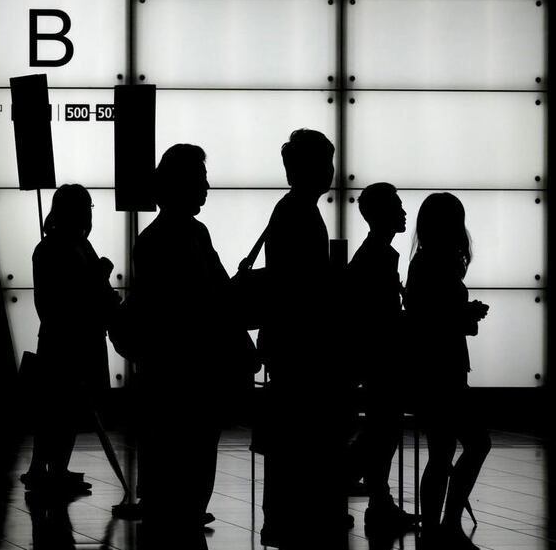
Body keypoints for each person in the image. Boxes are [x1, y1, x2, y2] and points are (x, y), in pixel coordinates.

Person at [131, 144, 255, 539]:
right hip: (189, 367)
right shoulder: (190, 236)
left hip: (173, 366)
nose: (206, 187)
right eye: (200, 179)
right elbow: (213, 296)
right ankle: (183, 512)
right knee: (194, 446)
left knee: (177, 446)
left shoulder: (156, 239)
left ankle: (173, 513)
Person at [257, 129, 347, 550]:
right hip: (303, 345)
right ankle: (296, 518)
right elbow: (303, 287)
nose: (330, 171)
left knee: (290, 440)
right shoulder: (302, 214)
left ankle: (284, 518)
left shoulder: (289, 210)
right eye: (325, 163)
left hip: (287, 341)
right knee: (302, 438)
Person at [403, 192, 491, 550]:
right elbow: (441, 320)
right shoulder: (438, 264)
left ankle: (435, 526)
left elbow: (425, 317)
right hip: (445, 367)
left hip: (429, 367)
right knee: (475, 444)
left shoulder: (423, 263)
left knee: (441, 452)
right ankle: (447, 523)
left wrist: (463, 315)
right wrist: (466, 315)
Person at [21, 184, 119, 494]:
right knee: (61, 407)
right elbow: (65, 298)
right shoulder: (66, 247)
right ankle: (46, 468)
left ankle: (51, 467)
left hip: (65, 336)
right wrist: (99, 280)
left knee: (62, 407)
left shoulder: (55, 247)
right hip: (69, 338)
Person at [344, 183, 416, 538]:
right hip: (381, 357)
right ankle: (369, 495)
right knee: (381, 432)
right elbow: (382, 316)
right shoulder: (379, 257)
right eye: (397, 206)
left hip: (373, 356)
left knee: (380, 430)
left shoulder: (371, 253)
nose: (404, 212)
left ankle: (377, 499)